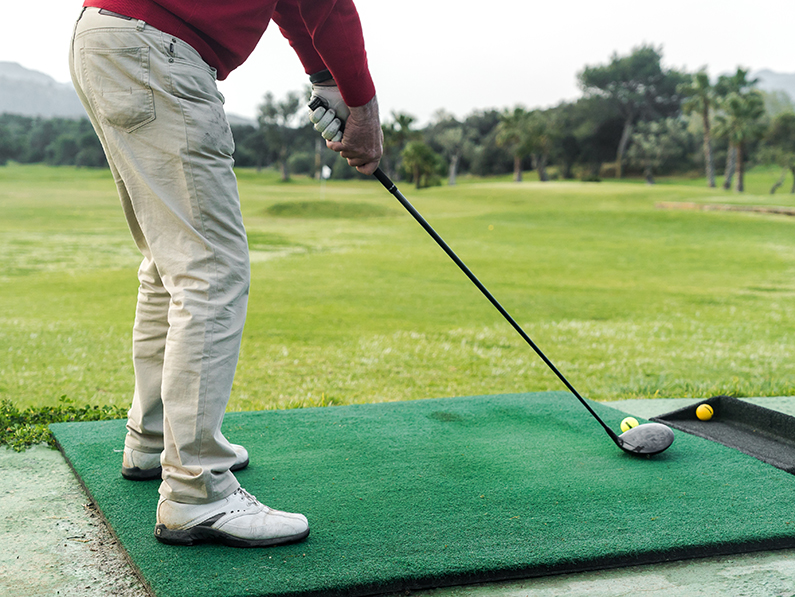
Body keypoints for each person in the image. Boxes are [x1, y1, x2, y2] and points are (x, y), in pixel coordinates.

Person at [68, 0, 382, 548]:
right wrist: (364, 106)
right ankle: (197, 488)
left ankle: (154, 438)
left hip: (109, 36)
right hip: (155, 48)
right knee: (209, 269)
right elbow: (326, 3)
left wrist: (324, 76)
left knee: (171, 263)